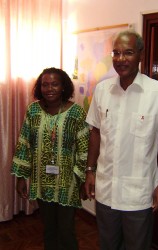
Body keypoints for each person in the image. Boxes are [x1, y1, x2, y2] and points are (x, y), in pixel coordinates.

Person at [85, 30, 158, 250]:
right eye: (116, 53)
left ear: (140, 54)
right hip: (106, 189)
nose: (120, 59)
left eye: (128, 53)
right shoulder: (102, 90)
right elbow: (95, 132)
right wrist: (90, 170)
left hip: (138, 193)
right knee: (108, 245)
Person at [11, 67, 89, 250]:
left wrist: (82, 180)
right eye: (45, 85)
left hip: (67, 182)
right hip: (41, 181)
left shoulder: (76, 113)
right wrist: (21, 177)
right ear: (40, 87)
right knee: (48, 229)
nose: (50, 88)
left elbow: (84, 148)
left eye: (55, 84)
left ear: (63, 87)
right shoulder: (33, 111)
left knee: (66, 230)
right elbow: (24, 145)